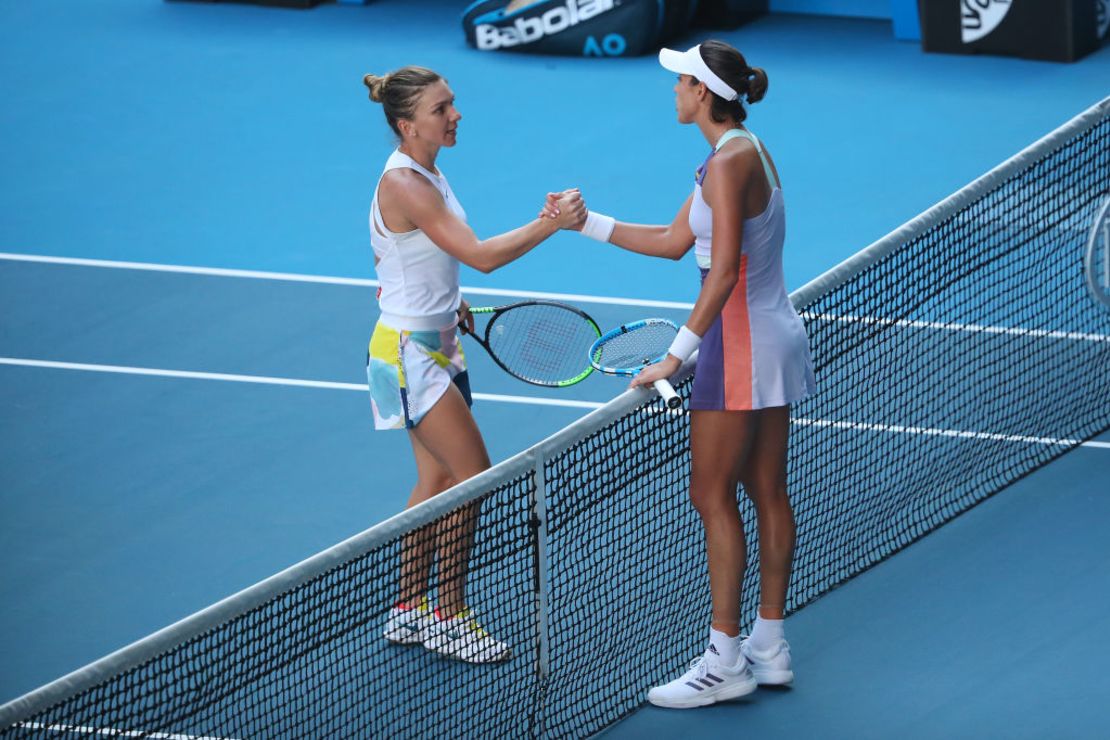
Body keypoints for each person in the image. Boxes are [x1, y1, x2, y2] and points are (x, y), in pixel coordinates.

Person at [545, 40, 815, 707]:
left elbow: (722, 272)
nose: (672, 92)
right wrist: (586, 225)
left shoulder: (725, 168)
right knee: (765, 489)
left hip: (741, 343)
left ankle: (724, 661)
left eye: (679, 83)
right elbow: (676, 244)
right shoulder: (743, 151)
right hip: (771, 335)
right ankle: (769, 646)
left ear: (701, 91)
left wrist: (677, 355)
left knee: (711, 495)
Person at [363, 65, 585, 664]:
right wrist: (552, 223)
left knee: (436, 481)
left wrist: (445, 302)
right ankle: (449, 614)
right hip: (409, 357)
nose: (455, 114)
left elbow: (415, 258)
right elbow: (482, 257)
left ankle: (409, 609)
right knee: (473, 477)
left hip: (437, 339)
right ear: (408, 126)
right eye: (442, 109)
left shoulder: (429, 172)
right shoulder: (408, 184)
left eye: (452, 103)